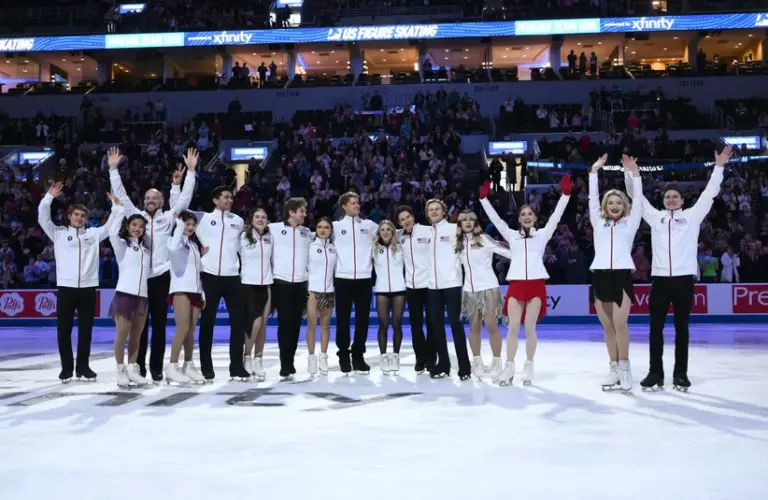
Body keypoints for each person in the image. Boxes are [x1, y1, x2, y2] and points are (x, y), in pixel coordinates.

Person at [625, 147, 732, 391]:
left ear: (682, 201)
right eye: (667, 197)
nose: (671, 200)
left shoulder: (692, 217)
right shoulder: (655, 217)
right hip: (660, 280)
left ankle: (680, 374)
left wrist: (718, 168)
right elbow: (638, 200)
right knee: (655, 329)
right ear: (663, 202)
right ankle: (655, 373)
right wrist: (633, 174)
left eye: (675, 197)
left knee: (682, 329)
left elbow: (709, 194)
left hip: (684, 280)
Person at [108, 147, 197, 382]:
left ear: (162, 201)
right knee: (140, 326)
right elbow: (121, 195)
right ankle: (136, 367)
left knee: (159, 325)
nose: (149, 201)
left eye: (154, 198)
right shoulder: (137, 218)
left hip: (161, 276)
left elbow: (185, 199)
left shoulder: (169, 217)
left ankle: (156, 368)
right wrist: (113, 169)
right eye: (147, 198)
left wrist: (190, 172)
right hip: (140, 279)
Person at [479, 175, 572, 386]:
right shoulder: (512, 236)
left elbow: (556, 217)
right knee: (513, 327)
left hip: (536, 285)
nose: (527, 216)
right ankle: (509, 365)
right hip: (517, 285)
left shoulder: (542, 235)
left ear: (535, 218)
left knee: (530, 327)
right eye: (523, 214)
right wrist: (484, 200)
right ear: (519, 218)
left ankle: (529, 365)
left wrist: (565, 195)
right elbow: (496, 221)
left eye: (530, 213)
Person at [37, 183, 124, 382]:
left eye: (83, 216)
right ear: (69, 216)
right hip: (66, 288)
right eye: (76, 214)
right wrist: (48, 197)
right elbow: (43, 218)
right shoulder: (58, 233)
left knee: (86, 330)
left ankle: (83, 367)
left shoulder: (93, 235)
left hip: (88, 288)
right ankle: (66, 368)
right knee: (64, 329)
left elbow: (111, 226)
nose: (80, 218)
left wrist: (116, 207)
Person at [588, 154, 642, 391]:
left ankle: (625, 368)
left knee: (621, 324)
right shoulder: (597, 222)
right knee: (608, 326)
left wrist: (634, 174)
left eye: (619, 203)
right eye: (611, 203)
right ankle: (614, 368)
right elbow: (591, 198)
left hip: (621, 276)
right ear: (605, 206)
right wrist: (593, 172)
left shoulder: (631, 223)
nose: (615, 206)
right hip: (600, 276)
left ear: (624, 206)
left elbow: (638, 199)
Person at [192, 186, 249, 381]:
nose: (230, 200)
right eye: (225, 197)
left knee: (238, 322)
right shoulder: (202, 218)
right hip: (209, 276)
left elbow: (241, 247)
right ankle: (206, 367)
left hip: (233, 277)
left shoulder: (238, 221)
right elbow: (177, 210)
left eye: (231, 198)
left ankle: (237, 366)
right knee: (207, 323)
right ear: (215, 200)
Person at [455, 210, 512, 381]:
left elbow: (509, 253)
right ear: (459, 224)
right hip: (469, 290)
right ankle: (477, 361)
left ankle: (496, 361)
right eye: (464, 220)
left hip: (488, 287)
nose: (467, 222)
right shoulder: (457, 243)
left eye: (471, 220)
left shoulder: (484, 239)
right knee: (474, 327)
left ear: (475, 222)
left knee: (491, 325)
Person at [109, 209, 156, 389]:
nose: (138, 229)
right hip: (124, 294)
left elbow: (150, 271)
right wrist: (119, 210)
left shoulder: (145, 249)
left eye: (141, 226)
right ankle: (120, 368)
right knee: (122, 333)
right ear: (127, 227)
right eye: (134, 225)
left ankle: (132, 368)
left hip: (142, 296)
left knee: (136, 336)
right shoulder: (122, 245)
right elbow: (112, 232)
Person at [333, 191, 378, 374]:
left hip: (364, 279)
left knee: (363, 320)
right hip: (342, 279)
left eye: (358, 202)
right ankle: (343, 354)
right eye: (353, 203)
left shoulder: (369, 225)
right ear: (344, 206)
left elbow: (389, 231)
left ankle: (358, 355)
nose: (357, 205)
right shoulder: (335, 227)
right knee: (342, 319)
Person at [425, 198, 471, 380]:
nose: (434, 212)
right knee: (436, 326)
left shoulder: (454, 229)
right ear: (427, 213)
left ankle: (465, 366)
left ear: (444, 212)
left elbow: (467, 250)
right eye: (431, 209)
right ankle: (443, 364)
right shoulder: (426, 232)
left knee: (456, 325)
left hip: (452, 284)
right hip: (432, 286)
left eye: (437, 209)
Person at [269, 197, 311, 378]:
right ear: (291, 212)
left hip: (301, 284)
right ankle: (284, 362)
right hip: (281, 283)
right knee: (284, 323)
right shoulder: (274, 229)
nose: (305, 214)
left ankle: (290, 361)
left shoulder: (307, 232)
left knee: (295, 325)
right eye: (301, 211)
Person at [165, 211, 206, 385]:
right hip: (180, 289)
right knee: (182, 328)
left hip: (195, 291)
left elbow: (198, 272)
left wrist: (202, 293)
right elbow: (173, 248)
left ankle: (188, 364)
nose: (190, 227)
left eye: (192, 224)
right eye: (186, 224)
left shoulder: (194, 246)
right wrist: (178, 224)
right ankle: (172, 366)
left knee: (190, 331)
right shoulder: (174, 241)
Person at [395, 206, 435, 374]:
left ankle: (432, 359)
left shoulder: (428, 231)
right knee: (415, 325)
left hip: (430, 284)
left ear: (413, 216)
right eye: (402, 219)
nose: (406, 221)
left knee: (432, 323)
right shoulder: (399, 237)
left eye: (408, 217)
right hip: (411, 287)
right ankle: (420, 359)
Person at [238, 207, 273, 381]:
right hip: (248, 285)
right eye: (257, 216)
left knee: (263, 324)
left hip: (266, 284)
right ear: (251, 219)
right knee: (255, 323)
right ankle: (247, 357)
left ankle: (259, 359)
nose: (260, 219)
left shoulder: (270, 237)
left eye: (263, 217)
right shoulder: (243, 237)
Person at [372, 220, 406, 375]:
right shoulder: (374, 248)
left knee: (397, 323)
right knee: (383, 324)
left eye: (388, 229)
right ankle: (384, 356)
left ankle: (396, 356)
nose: (385, 232)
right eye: (382, 230)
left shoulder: (400, 247)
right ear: (379, 233)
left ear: (393, 232)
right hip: (381, 290)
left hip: (399, 289)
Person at [306, 217, 336, 376]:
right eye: (320, 227)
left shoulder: (333, 248)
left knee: (325, 325)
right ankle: (311, 358)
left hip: (329, 291)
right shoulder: (309, 246)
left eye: (326, 227)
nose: (323, 230)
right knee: (312, 325)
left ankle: (323, 357)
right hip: (312, 291)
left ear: (331, 230)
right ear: (315, 230)